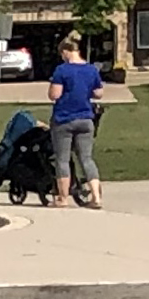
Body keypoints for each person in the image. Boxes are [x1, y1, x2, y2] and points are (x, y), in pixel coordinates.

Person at [45, 41, 104, 209]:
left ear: (66, 52)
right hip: (86, 119)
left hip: (64, 119)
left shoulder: (62, 70)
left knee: (62, 159)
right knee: (86, 158)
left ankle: (63, 198)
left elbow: (54, 94)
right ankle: (96, 196)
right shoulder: (91, 70)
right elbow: (99, 93)